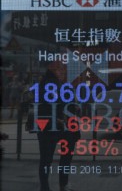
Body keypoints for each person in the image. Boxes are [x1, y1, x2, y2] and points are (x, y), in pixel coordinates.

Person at [37, 62, 80, 191]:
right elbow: (47, 106)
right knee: (55, 159)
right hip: (55, 127)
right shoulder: (49, 84)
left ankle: (49, 187)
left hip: (54, 128)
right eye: (59, 69)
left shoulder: (53, 84)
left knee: (47, 159)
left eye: (63, 70)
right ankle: (61, 185)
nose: (62, 72)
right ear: (51, 69)